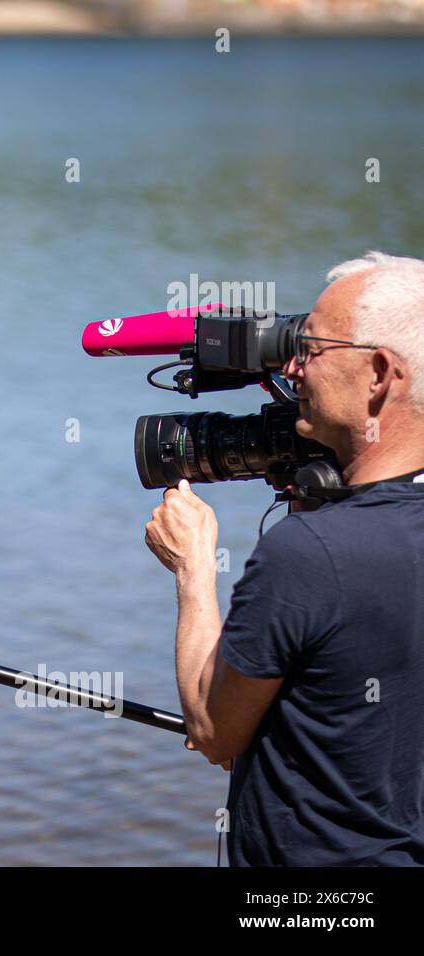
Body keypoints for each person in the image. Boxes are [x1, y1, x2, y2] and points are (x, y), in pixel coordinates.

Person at [145, 251, 424, 865]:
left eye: (314, 347)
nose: (294, 366)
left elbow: (214, 731)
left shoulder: (308, 553)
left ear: (380, 372)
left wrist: (193, 568)